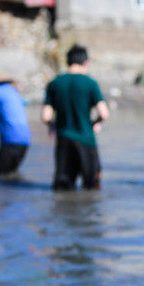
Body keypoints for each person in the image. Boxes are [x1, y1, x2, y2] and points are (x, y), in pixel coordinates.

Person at [41, 44, 110, 191]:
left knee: (62, 188)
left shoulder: (54, 83)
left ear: (68, 61)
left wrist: (53, 125)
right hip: (86, 139)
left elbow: (46, 116)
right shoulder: (90, 83)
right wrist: (94, 123)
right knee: (91, 187)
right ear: (86, 62)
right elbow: (104, 113)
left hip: (63, 139)